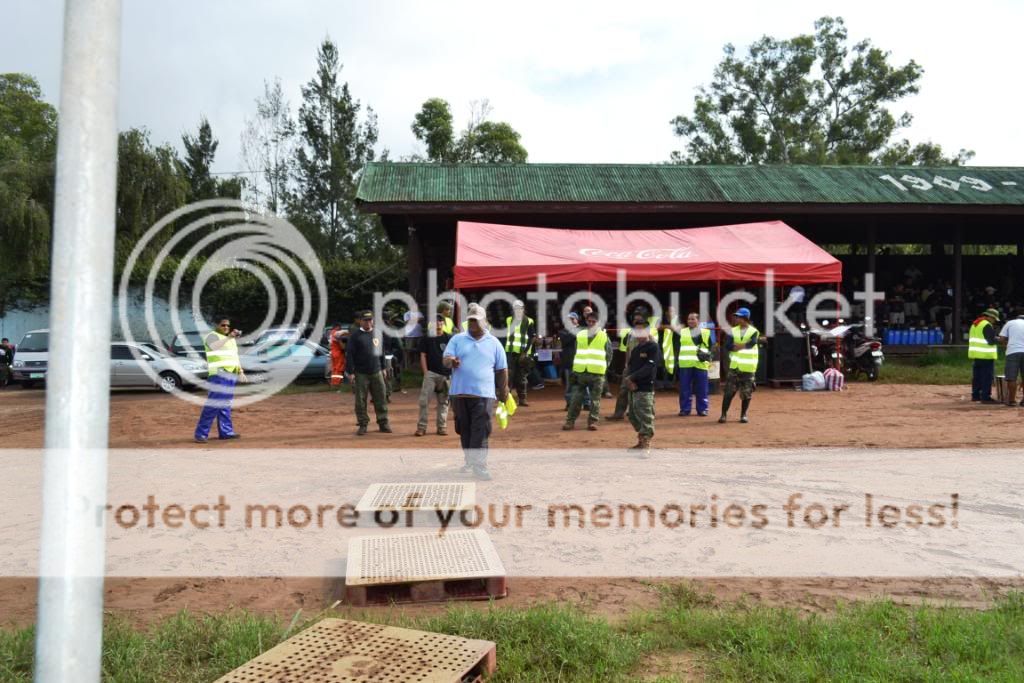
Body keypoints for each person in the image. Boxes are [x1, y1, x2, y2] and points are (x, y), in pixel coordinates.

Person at [444, 303, 509, 481]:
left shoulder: (494, 343)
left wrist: (503, 394)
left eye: (476, 321)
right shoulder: (457, 339)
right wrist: (452, 361)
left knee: (480, 430)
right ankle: (470, 460)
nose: (473, 324)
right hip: (459, 394)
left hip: (484, 395)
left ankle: (479, 465)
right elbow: (446, 359)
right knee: (463, 429)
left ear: (484, 321)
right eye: (470, 320)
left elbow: (502, 370)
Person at [194, 317, 245, 443]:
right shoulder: (212, 336)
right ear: (216, 325)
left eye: (228, 326)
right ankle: (201, 434)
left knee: (225, 404)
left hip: (230, 373)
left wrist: (240, 371)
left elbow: (234, 356)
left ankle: (226, 432)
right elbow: (214, 347)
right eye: (223, 325)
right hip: (219, 373)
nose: (226, 327)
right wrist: (229, 337)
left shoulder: (231, 340)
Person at [345, 310, 392, 435]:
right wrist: (351, 372)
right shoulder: (355, 336)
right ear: (360, 321)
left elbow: (382, 352)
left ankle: (383, 423)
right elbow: (349, 355)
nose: (368, 322)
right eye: (365, 320)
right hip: (361, 373)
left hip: (376, 371)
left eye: (370, 320)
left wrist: (383, 368)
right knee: (360, 401)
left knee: (381, 398)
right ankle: (363, 424)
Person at [563, 310, 609, 431]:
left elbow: (609, 354)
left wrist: (603, 368)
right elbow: (576, 353)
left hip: (597, 373)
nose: (591, 323)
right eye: (589, 321)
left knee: (595, 401)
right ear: (586, 321)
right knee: (575, 399)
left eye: (594, 321)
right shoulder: (580, 335)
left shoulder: (604, 336)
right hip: (581, 373)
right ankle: (570, 421)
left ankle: (592, 422)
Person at [622, 319, 661, 458]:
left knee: (645, 415)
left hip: (645, 387)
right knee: (632, 414)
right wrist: (628, 381)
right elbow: (631, 367)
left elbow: (649, 367)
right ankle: (641, 439)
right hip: (633, 387)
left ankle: (646, 443)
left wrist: (631, 378)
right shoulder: (636, 349)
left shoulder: (653, 347)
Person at [608, 311, 652, 420]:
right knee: (623, 390)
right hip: (630, 366)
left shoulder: (649, 334)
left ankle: (643, 414)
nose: (636, 321)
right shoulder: (631, 333)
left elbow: (653, 350)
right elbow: (628, 349)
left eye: (639, 319)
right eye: (635, 319)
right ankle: (618, 413)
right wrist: (626, 363)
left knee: (642, 391)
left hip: (642, 367)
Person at [718, 307, 759, 424]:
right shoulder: (733, 330)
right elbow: (727, 345)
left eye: (739, 317)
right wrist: (742, 345)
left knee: (746, 393)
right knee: (729, 392)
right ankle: (723, 414)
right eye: (736, 316)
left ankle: (743, 414)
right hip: (735, 366)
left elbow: (752, 344)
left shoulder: (753, 331)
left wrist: (738, 345)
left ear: (745, 318)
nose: (736, 319)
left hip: (748, 367)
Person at [416, 315, 451, 437]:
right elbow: (423, 355)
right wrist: (426, 372)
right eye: (436, 321)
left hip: (445, 374)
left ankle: (442, 427)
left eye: (441, 321)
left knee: (444, 402)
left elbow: (454, 355)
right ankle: (421, 427)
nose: (439, 323)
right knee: (424, 401)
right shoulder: (427, 338)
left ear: (444, 323)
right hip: (431, 374)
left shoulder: (449, 338)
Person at [678, 312, 715, 416]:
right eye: (689, 319)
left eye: (693, 319)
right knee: (685, 388)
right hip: (685, 364)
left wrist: (709, 355)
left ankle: (703, 409)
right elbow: (677, 347)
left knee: (702, 388)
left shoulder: (706, 332)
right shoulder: (682, 332)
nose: (690, 321)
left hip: (701, 364)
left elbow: (712, 347)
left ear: (698, 321)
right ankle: (685, 409)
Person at [503, 299, 536, 406]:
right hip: (511, 352)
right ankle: (507, 398)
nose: (518, 311)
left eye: (520, 309)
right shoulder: (508, 320)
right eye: (516, 309)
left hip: (523, 354)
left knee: (521, 377)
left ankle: (522, 398)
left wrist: (525, 352)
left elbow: (532, 338)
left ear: (523, 309)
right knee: (509, 376)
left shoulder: (529, 321)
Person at [968, 308, 1000, 403]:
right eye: (994, 319)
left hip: (977, 355)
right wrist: (1000, 339)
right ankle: (985, 397)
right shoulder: (986, 325)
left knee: (977, 377)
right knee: (987, 377)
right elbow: (991, 341)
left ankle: (975, 396)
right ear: (989, 317)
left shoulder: (975, 324)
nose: (994, 321)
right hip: (986, 355)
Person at [997, 308, 1024, 407]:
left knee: (1011, 378)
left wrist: (1006, 346)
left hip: (1013, 352)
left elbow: (1002, 339)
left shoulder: (1010, 323)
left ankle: (1012, 401)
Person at [557, 312, 582, 410]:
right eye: (569, 320)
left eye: (573, 319)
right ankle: (569, 403)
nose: (571, 321)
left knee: (584, 384)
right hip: (569, 362)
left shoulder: (582, 330)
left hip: (582, 361)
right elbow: (566, 340)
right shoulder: (563, 331)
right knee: (570, 384)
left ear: (577, 320)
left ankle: (586, 403)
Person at [328, 323, 346, 387]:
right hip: (338, 353)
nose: (340, 328)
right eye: (339, 327)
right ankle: (337, 383)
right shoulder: (335, 333)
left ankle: (334, 382)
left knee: (335, 368)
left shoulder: (331, 333)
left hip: (334, 352)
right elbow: (341, 345)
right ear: (337, 327)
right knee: (339, 368)